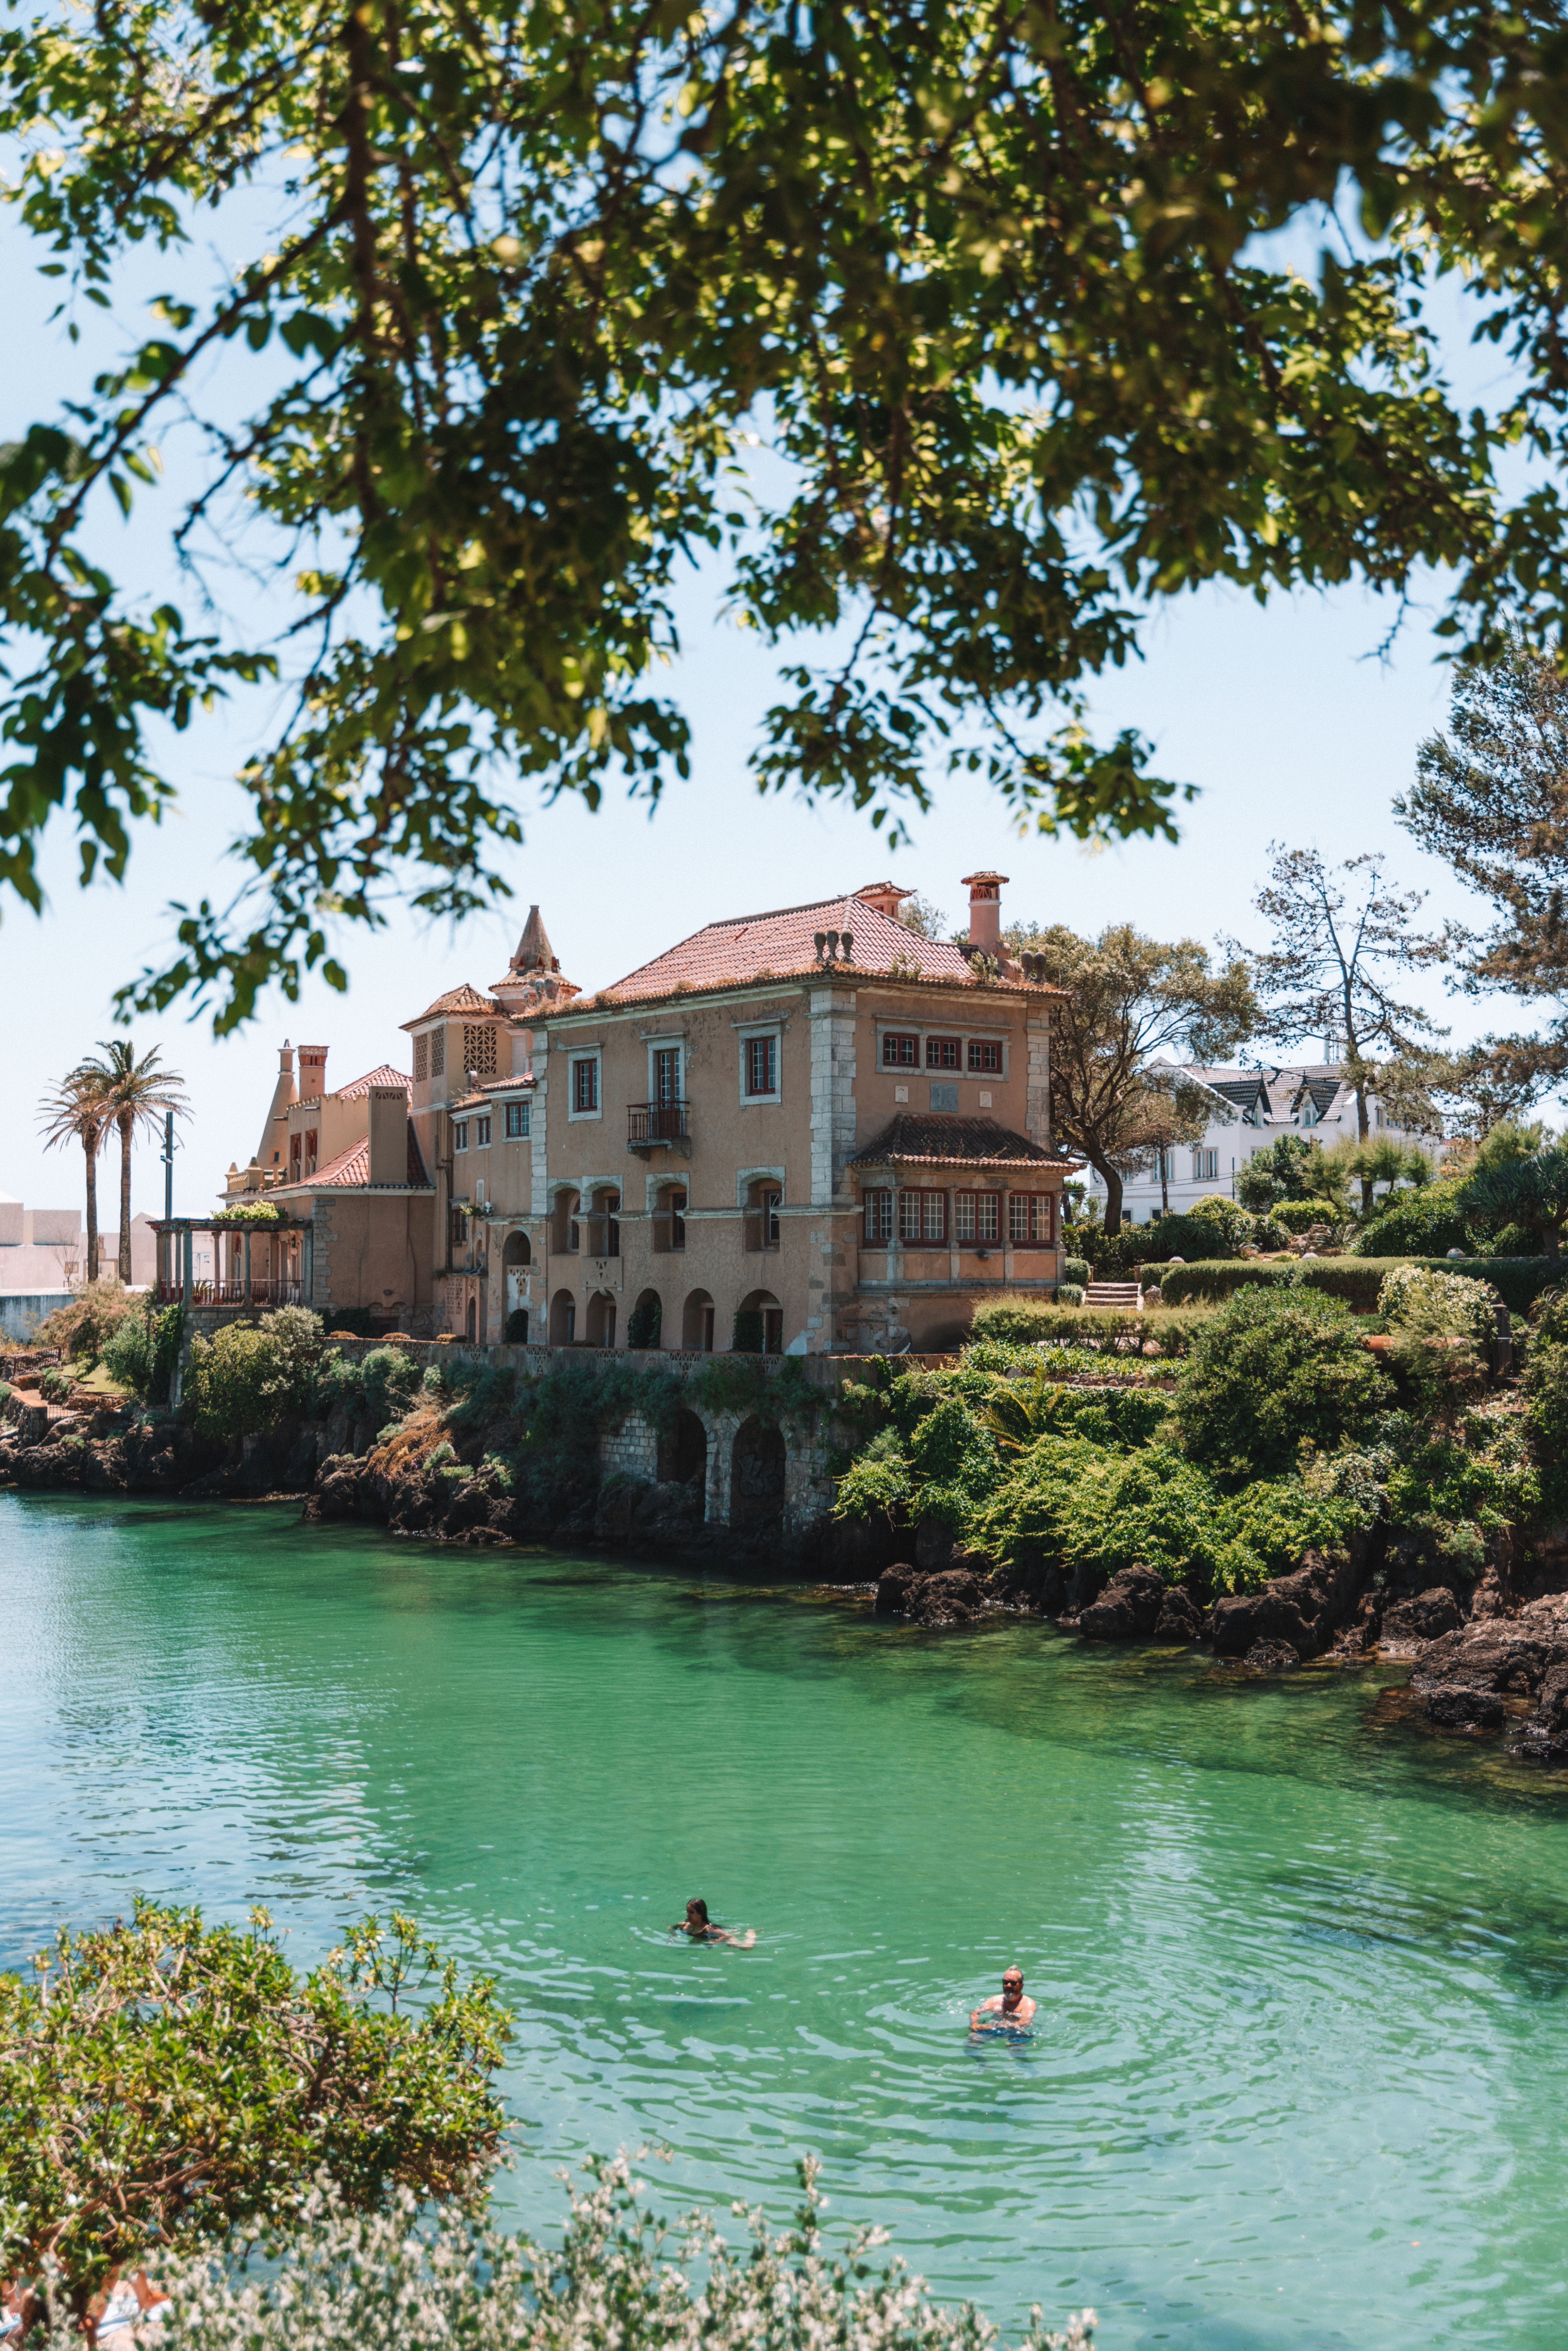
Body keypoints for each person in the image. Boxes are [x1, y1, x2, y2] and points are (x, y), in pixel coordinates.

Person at [670, 1897, 755, 1948]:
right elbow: (672, 1928)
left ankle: (751, 1934)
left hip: (721, 1937)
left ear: (700, 1914)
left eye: (692, 1913)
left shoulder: (709, 1929)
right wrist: (672, 1936)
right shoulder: (685, 1925)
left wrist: (714, 1942)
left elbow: (727, 1936)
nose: (688, 1915)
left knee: (747, 1947)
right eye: (687, 1912)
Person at [970, 1966, 1036, 2031]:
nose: (1009, 1985)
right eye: (1006, 1982)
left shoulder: (1028, 2004)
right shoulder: (995, 2001)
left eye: (1013, 1983)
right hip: (994, 2029)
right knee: (974, 2037)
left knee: (1015, 2041)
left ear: (1021, 1986)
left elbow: (1025, 2022)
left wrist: (1000, 2027)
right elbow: (975, 2013)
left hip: (1017, 2032)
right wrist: (974, 2024)